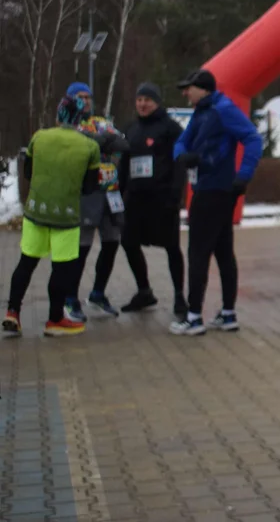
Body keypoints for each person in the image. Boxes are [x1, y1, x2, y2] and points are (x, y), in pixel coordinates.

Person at [170, 68, 263, 336]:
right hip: (209, 188)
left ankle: (194, 316)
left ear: (204, 88)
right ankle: (228, 314)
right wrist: (182, 156)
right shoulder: (203, 110)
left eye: (189, 87)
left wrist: (243, 175)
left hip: (215, 190)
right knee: (223, 252)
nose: (185, 92)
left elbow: (253, 138)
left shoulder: (222, 109)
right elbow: (182, 141)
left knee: (198, 252)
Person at [3, 96, 101, 337]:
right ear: (80, 120)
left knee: (26, 263)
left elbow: (28, 172)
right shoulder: (90, 146)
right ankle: (55, 319)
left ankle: (12, 312)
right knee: (61, 269)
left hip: (36, 211)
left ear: (58, 116)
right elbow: (90, 187)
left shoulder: (39, 137)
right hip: (66, 217)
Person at [119, 83, 188, 317]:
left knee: (171, 247)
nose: (142, 104)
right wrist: (119, 192)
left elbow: (180, 162)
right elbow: (124, 162)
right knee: (128, 242)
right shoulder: (131, 128)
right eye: (139, 99)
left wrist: (176, 194)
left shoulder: (170, 128)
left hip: (163, 198)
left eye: (148, 99)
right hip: (136, 199)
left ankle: (180, 296)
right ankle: (144, 291)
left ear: (157, 102)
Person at [66, 82, 129, 321]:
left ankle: (98, 293)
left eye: (89, 97)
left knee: (112, 243)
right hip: (86, 194)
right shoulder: (69, 125)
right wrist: (102, 141)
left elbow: (122, 144)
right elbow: (80, 146)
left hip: (111, 193)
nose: (86, 102)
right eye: (80, 97)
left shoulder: (102, 122)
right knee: (81, 248)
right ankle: (70, 298)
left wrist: (98, 139)